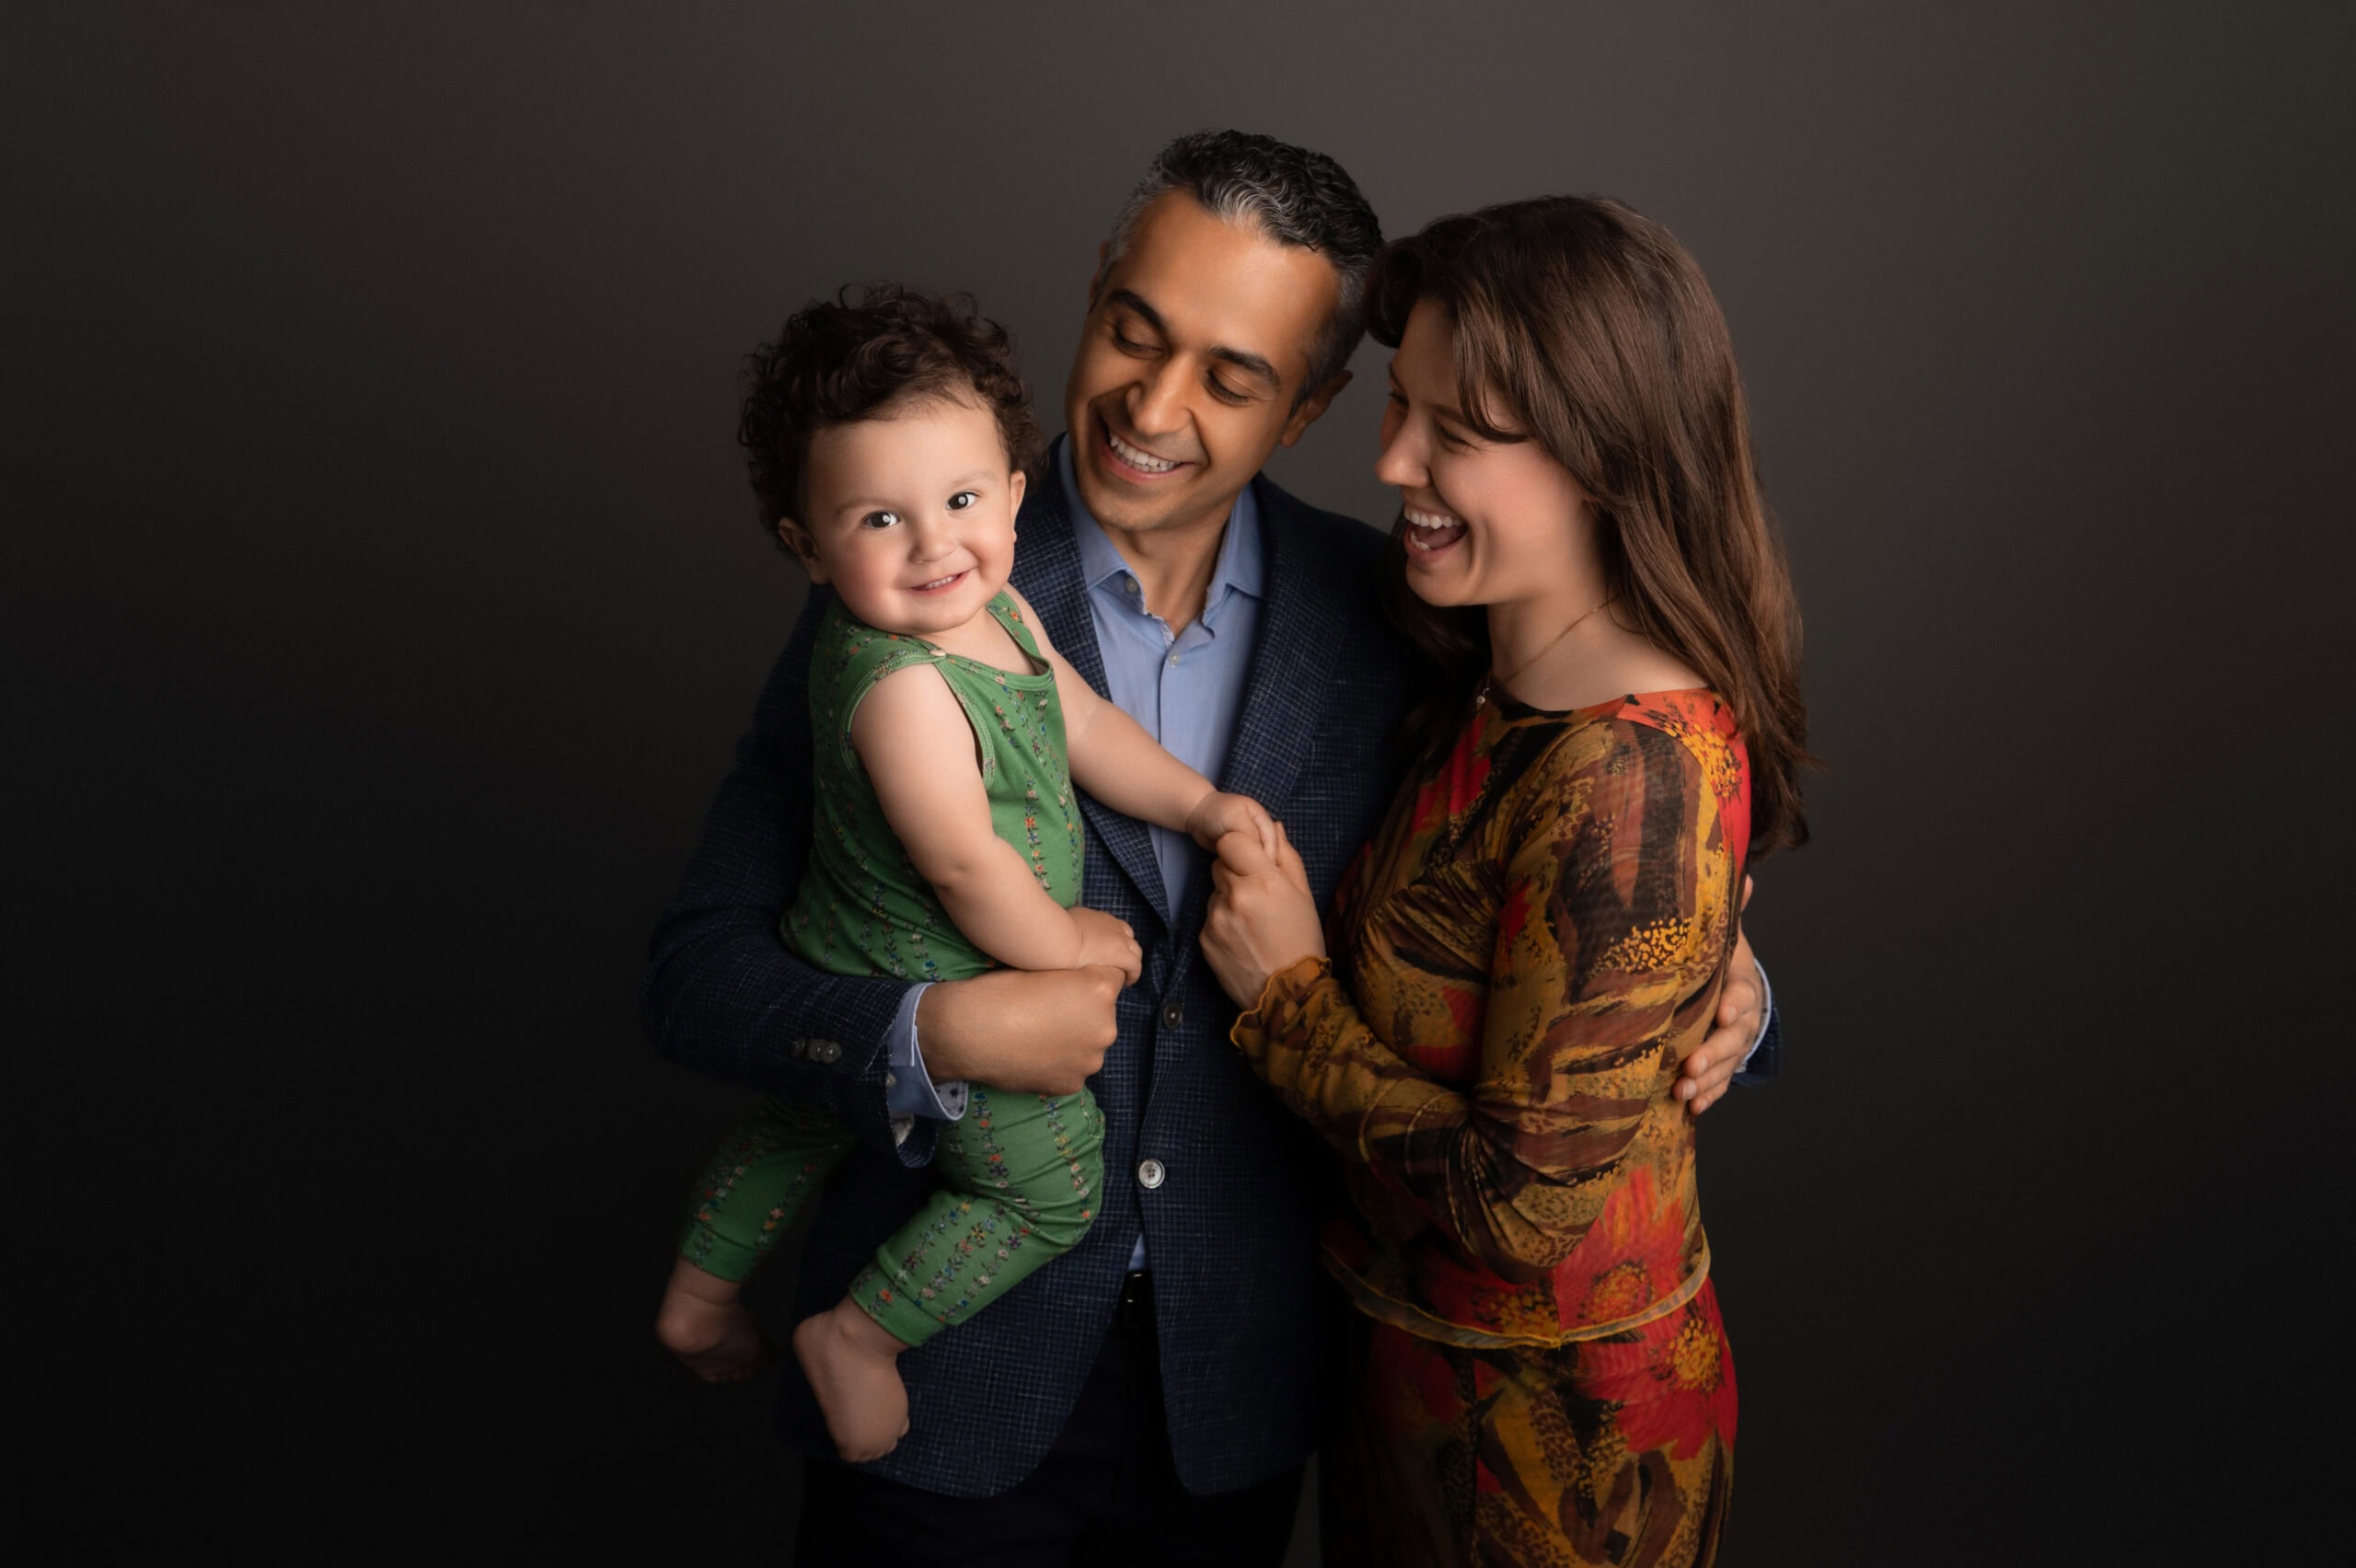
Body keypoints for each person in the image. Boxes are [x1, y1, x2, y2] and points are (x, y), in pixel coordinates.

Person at [643, 132, 1775, 1564]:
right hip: (938, 1401)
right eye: (1135, 330)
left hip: (1244, 1406)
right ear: (1095, 289)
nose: (1154, 404)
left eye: (1232, 378)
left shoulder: (1396, 618)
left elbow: (1557, 847)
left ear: (1309, 407)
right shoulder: (907, 572)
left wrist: (1728, 976)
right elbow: (697, 976)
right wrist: (932, 1034)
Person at [1197, 195, 1810, 1566]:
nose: (1392, 459)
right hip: (1404, 1386)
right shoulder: (1487, 670)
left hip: (1555, 1459)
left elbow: (1525, 1209)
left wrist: (1288, 1001)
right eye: (1400, 404)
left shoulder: (1633, 779)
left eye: (1460, 433)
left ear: (1606, 455)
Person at [652, 285, 1280, 1462]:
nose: (935, 544)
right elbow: (961, 862)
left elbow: (1086, 726)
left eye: (959, 500)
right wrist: (1068, 942)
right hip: (928, 963)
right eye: (879, 519)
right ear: (806, 547)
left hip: (839, 933)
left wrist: (1199, 804)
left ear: (1012, 493)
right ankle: (861, 1337)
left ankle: (697, 1291)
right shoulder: (899, 686)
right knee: (1049, 1189)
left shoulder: (1000, 610)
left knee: (795, 1125)